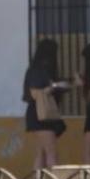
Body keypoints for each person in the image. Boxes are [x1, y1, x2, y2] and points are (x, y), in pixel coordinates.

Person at [23, 38, 67, 169]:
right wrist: (50, 88)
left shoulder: (35, 69)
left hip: (37, 115)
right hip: (41, 116)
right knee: (51, 154)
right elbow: (34, 93)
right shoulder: (38, 71)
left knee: (40, 154)